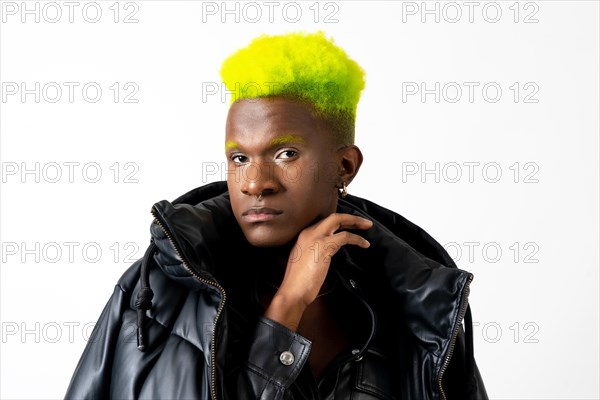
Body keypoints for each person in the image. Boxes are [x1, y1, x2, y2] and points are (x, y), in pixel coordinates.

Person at [65, 31, 488, 400]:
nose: (255, 182)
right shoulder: (157, 292)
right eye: (239, 157)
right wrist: (288, 305)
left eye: (285, 153)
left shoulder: (417, 302)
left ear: (345, 168)